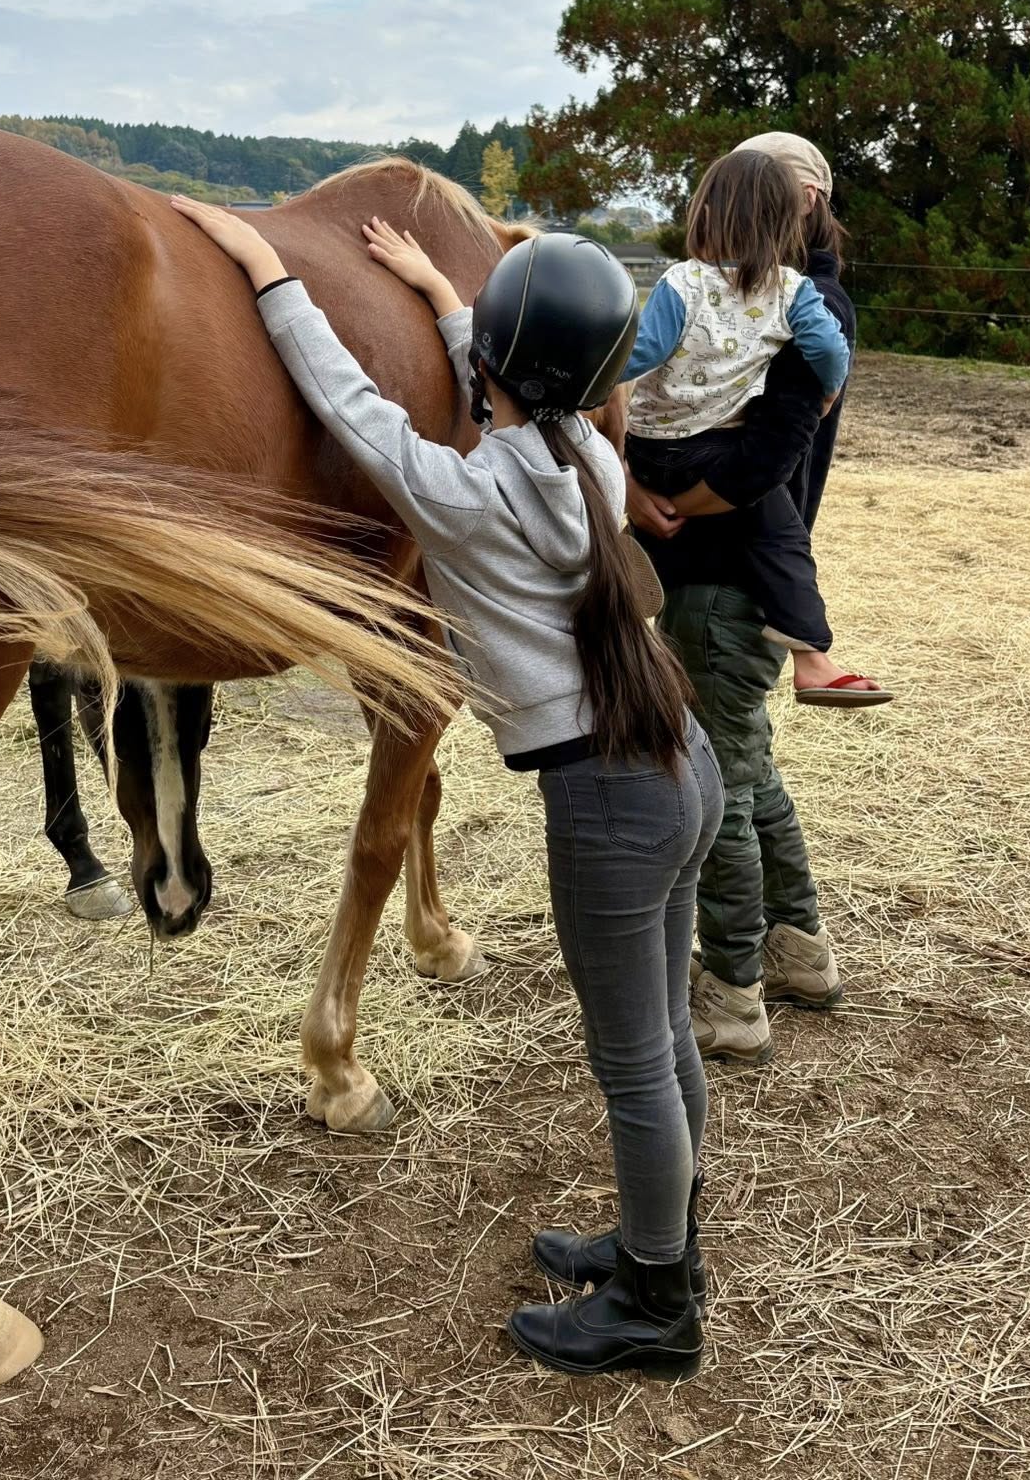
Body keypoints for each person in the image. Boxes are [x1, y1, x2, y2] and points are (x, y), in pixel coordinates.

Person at [170, 193, 723, 1381]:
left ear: (495, 371)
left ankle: (658, 1304)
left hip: (608, 800)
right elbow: (517, 376)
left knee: (632, 1057)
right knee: (664, 1034)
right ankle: (662, 1239)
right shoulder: (591, 455)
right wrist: (438, 287)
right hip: (683, 761)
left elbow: (350, 404)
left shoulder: (465, 494)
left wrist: (269, 270)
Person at [628, 131, 859, 1065]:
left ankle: (732, 992)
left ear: (812, 200)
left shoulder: (802, 301)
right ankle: (798, 951)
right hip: (737, 576)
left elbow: (766, 457)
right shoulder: (793, 300)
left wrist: (654, 499)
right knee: (751, 772)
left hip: (721, 578)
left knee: (716, 787)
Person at [622, 148, 889, 710]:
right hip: (713, 453)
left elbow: (641, 352)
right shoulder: (793, 291)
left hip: (649, 449)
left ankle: (616, 586)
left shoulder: (681, 282)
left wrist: (585, 384)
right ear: (787, 222)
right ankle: (812, 657)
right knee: (781, 534)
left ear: (703, 214)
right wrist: (830, 387)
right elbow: (827, 350)